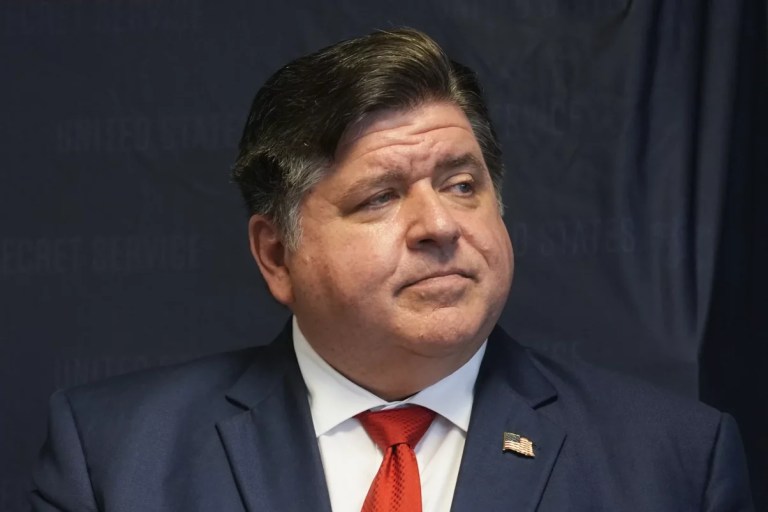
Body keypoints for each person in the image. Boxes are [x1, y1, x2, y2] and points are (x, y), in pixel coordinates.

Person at [31, 28, 754, 511]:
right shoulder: (114, 459)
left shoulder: (675, 463)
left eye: (462, 183)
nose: (440, 225)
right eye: (380, 197)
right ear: (277, 255)